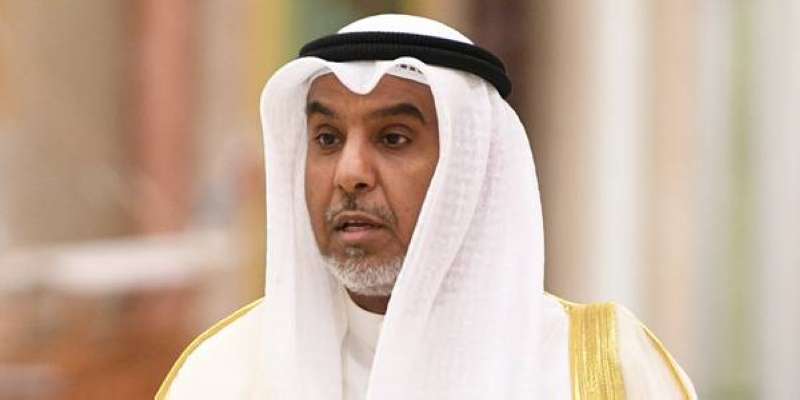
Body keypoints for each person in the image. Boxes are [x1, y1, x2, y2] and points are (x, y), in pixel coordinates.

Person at [156, 14, 696, 400]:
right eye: (327, 139)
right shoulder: (220, 375)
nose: (349, 173)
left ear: (470, 170)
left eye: (393, 138)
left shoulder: (598, 370)